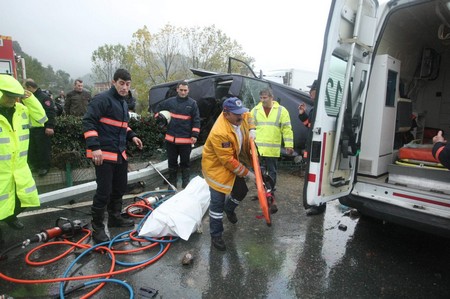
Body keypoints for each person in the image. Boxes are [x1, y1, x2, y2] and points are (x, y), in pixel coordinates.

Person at [82, 69, 143, 244]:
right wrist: (94, 147)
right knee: (104, 192)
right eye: (122, 83)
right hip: (103, 154)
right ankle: (98, 228)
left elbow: (122, 126)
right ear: (114, 82)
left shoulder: (123, 103)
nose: (125, 87)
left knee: (119, 188)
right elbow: (88, 122)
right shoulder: (102, 100)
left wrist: (133, 136)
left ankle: (115, 217)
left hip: (119, 153)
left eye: (128, 84)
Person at [202, 97, 256, 251]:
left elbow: (248, 115)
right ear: (226, 114)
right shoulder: (220, 133)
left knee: (241, 191)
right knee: (217, 204)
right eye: (236, 114)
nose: (241, 116)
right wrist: (248, 174)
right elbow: (228, 161)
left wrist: (252, 129)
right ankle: (216, 236)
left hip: (232, 161)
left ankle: (230, 208)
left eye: (241, 112)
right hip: (217, 169)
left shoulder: (239, 115)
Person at [0, 74, 47, 240]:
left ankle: (9, 217)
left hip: (19, 168)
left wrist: (31, 98)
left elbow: (41, 118)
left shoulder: (21, 111)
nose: (13, 100)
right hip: (1, 172)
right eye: (9, 96)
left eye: (15, 96)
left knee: (25, 200)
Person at [250, 87, 294, 213]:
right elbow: (249, 126)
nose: (262, 100)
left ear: (271, 97)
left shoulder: (281, 111)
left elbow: (286, 128)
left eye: (265, 98)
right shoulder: (256, 110)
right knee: (258, 173)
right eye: (261, 98)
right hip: (258, 148)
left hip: (272, 148)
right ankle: (261, 192)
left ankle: (270, 193)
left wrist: (289, 144)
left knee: (272, 172)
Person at [155, 81, 201, 189]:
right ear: (177, 90)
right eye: (181, 90)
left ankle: (186, 186)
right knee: (172, 164)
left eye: (185, 90)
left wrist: (195, 135)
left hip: (185, 141)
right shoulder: (170, 102)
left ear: (188, 90)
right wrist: (159, 118)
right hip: (171, 140)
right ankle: (172, 186)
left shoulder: (192, 104)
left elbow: (196, 120)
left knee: (185, 164)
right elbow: (157, 108)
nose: (183, 92)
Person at [298, 79, 326, 216]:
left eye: (312, 92)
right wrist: (302, 113)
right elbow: (309, 125)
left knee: (316, 176)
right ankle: (315, 203)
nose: (310, 94)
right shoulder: (315, 108)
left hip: (315, 149)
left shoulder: (321, 108)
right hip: (310, 147)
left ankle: (318, 205)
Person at [24, 79, 56, 177]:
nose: (24, 90)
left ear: (29, 87)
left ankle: (44, 167)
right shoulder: (29, 97)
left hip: (42, 128)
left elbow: (50, 112)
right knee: (32, 148)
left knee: (42, 148)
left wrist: (50, 126)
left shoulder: (43, 97)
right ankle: (35, 165)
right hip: (31, 127)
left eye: (24, 88)